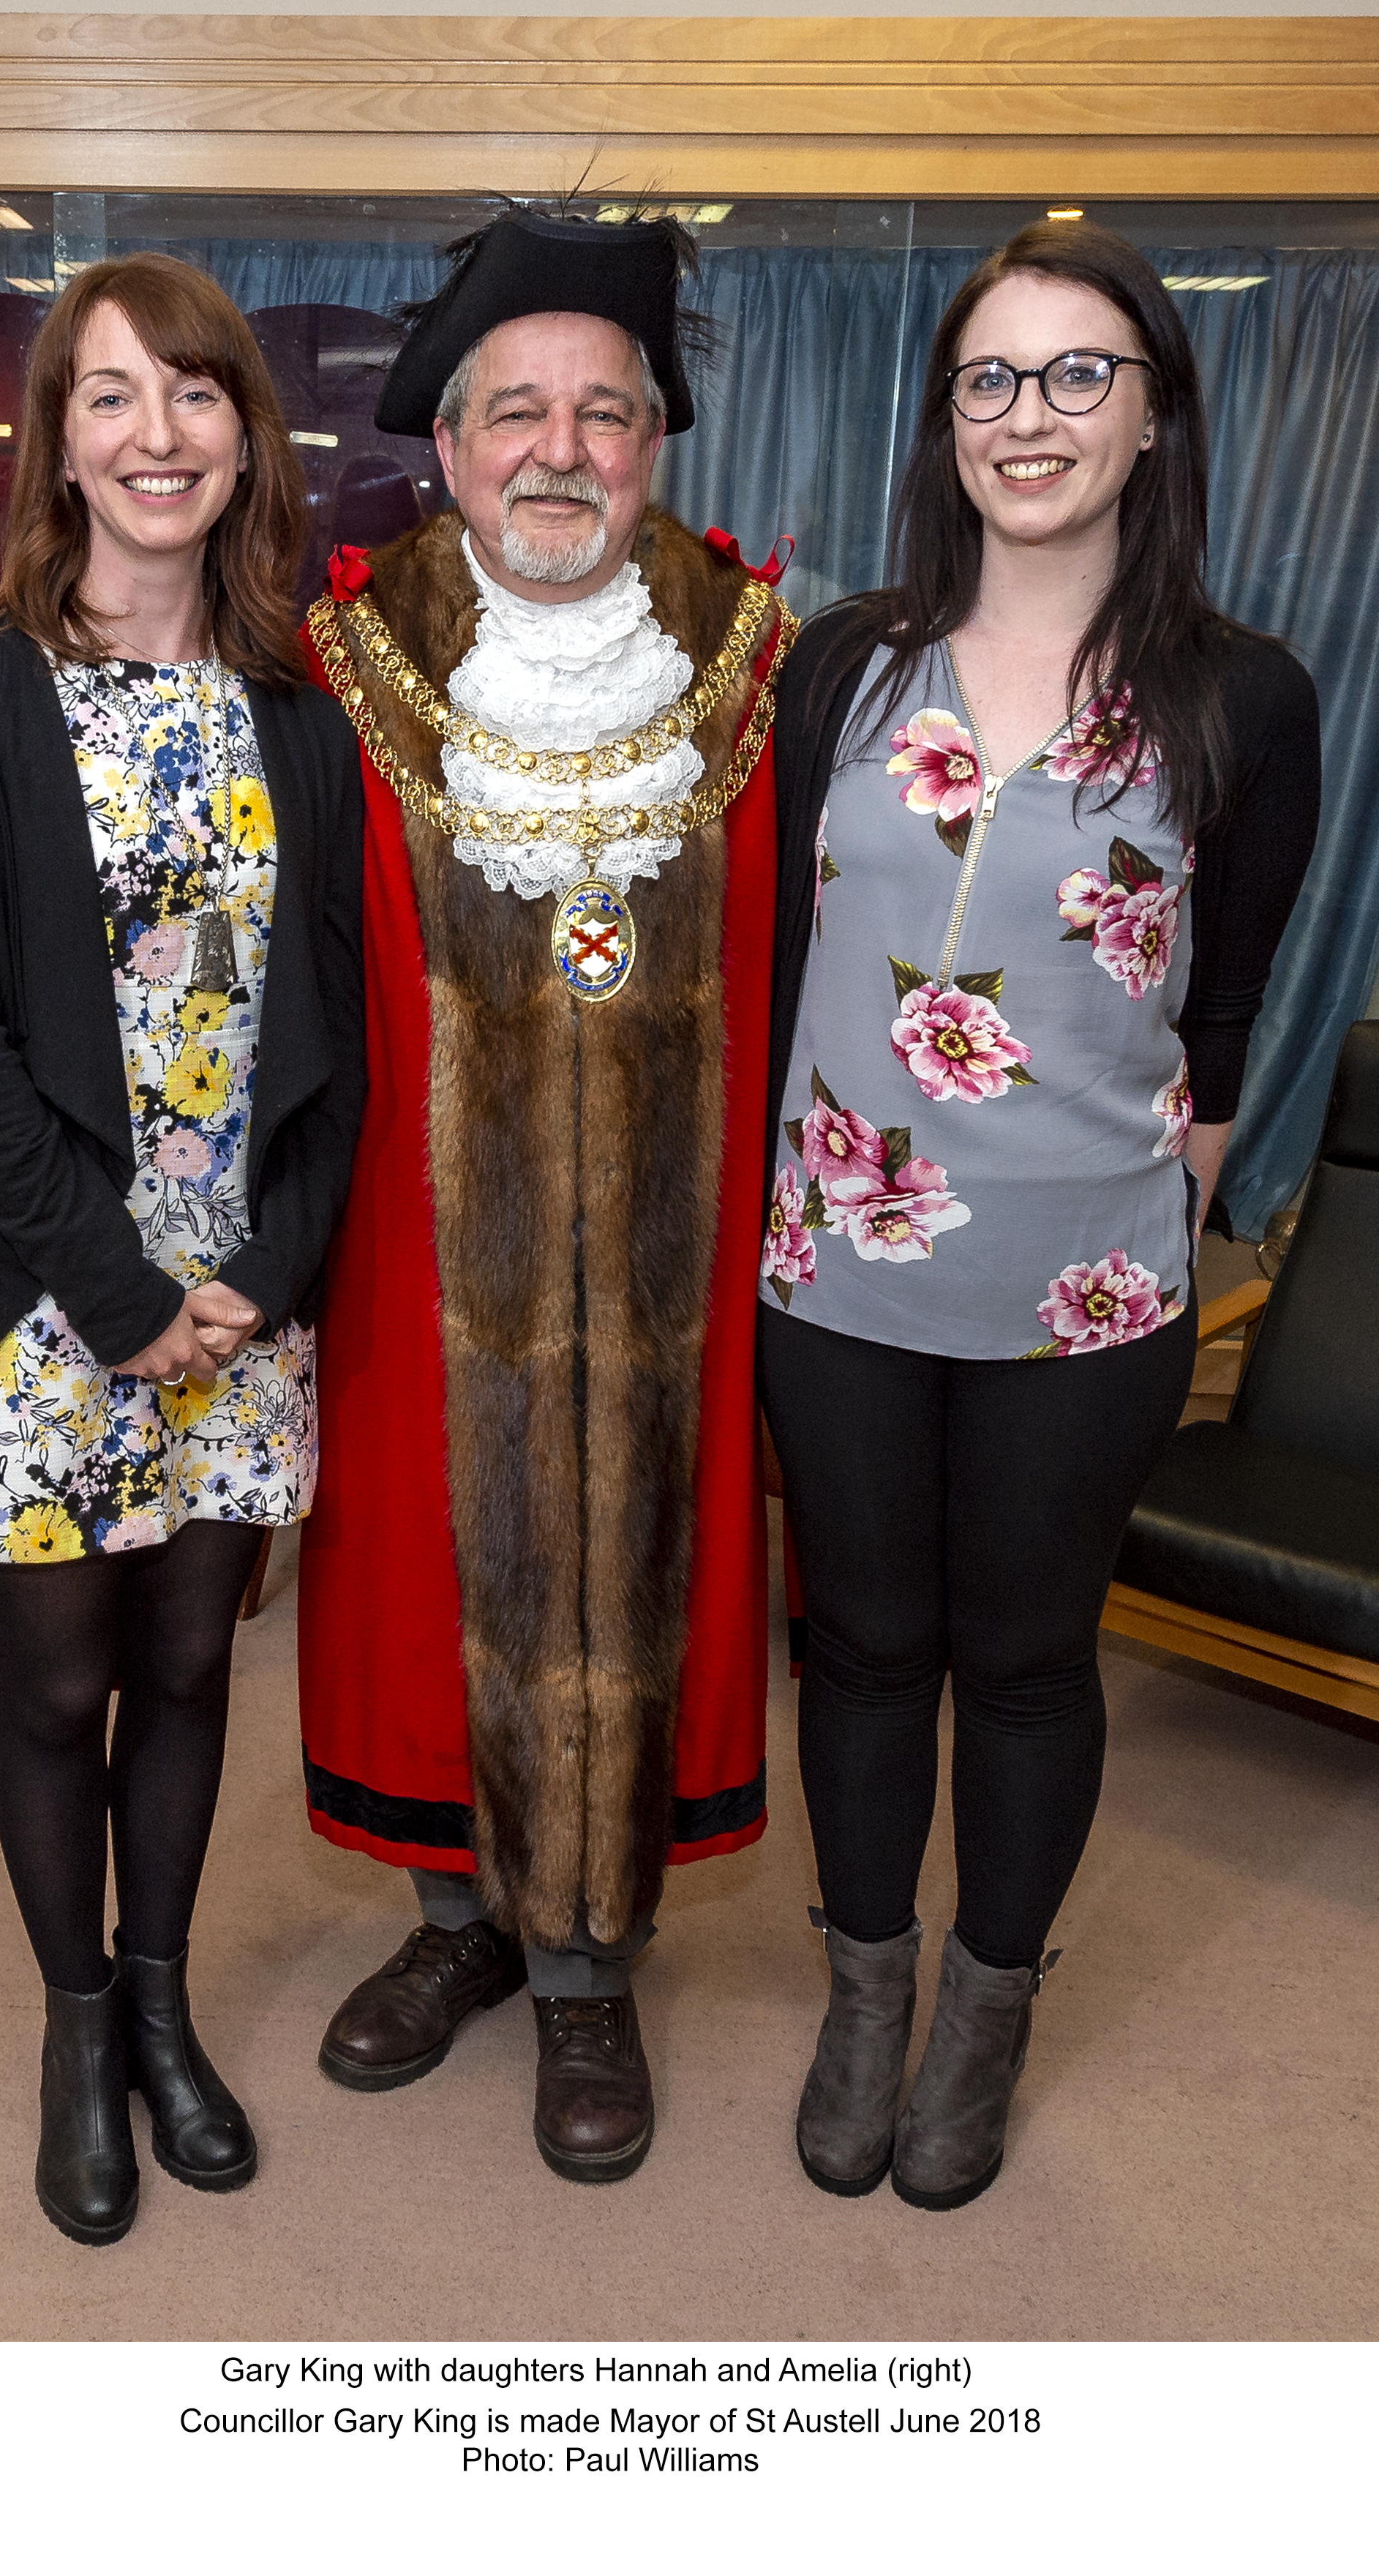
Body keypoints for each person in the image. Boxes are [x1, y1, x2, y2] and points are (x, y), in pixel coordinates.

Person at [762, 221, 1320, 2210]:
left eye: (1082, 373)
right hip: (833, 1266)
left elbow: (1238, 989)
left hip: (1085, 1286)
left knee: (1022, 1660)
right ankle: (861, 2001)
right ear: (946, 417)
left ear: (1155, 412)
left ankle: (980, 2027)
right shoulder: (845, 662)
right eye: (993, 377)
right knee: (861, 1648)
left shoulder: (1245, 693)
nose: (1032, 416)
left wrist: (1190, 1160)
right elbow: (777, 959)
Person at [298, 208, 795, 2182]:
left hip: (680, 1260)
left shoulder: (764, 671)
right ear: (450, 445)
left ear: (657, 445)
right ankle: (453, 1934)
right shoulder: (339, 669)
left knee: (643, 1570)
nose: (561, 448)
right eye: (519, 410)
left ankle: (590, 1966)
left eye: (606, 409)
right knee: (422, 1587)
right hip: (411, 1262)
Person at [0, 252, 366, 2245]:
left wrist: (264, 1273)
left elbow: (336, 1050)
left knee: (188, 1666)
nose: (154, 434)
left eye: (192, 394)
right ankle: (79, 2029)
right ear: (56, 448)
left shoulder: (304, 727)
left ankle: (164, 2005)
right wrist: (129, 1291)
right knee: (56, 1682)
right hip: (49, 1294)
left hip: (242, 1297)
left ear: (244, 437)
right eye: (108, 397)